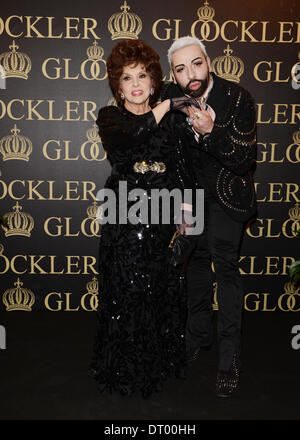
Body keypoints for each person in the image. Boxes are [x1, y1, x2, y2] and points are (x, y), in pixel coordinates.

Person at [88, 39, 197, 398]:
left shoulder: (174, 123)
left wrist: (187, 212)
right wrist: (166, 104)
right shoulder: (110, 118)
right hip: (125, 214)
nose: (136, 84)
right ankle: (122, 366)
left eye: (143, 76)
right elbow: (134, 137)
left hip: (162, 214)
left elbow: (183, 169)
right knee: (126, 290)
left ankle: (159, 362)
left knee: (160, 289)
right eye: (127, 77)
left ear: (153, 81)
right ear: (117, 87)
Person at [161, 36, 257, 397]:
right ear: (174, 73)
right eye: (181, 69)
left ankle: (229, 358)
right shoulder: (171, 101)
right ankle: (196, 338)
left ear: (208, 62)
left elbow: (243, 161)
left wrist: (211, 132)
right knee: (196, 268)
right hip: (191, 201)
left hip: (228, 200)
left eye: (196, 63)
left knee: (225, 270)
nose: (191, 74)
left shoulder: (237, 97)